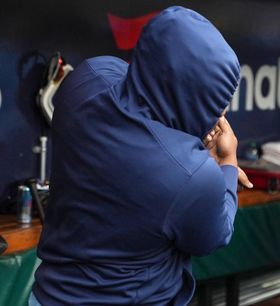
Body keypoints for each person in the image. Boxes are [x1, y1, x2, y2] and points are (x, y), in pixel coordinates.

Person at [29, 6, 251, 306]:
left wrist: (188, 132)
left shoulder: (88, 78)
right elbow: (213, 236)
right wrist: (227, 163)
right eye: (218, 101)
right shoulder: (193, 174)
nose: (222, 112)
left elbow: (140, 84)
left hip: (48, 296)